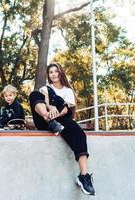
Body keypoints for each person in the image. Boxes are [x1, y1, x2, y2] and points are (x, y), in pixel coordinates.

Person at [29, 63, 95, 195]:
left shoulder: (67, 90)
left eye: (56, 71)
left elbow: (67, 108)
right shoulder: (45, 88)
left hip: (60, 118)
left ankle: (84, 176)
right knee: (34, 94)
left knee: (80, 134)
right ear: (48, 75)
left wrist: (57, 113)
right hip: (44, 117)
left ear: (60, 73)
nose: (53, 74)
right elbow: (44, 100)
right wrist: (50, 109)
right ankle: (51, 122)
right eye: (51, 72)